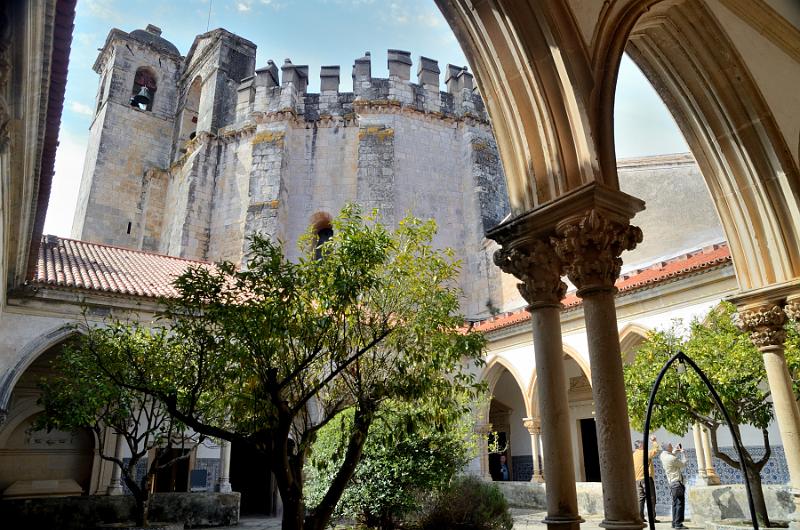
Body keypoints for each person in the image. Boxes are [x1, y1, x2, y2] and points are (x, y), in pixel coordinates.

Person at [659, 442, 688, 529]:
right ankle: (678, 524)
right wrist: (683, 453)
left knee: (675, 503)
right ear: (668, 448)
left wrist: (675, 451)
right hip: (677, 483)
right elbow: (683, 464)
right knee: (679, 504)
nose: (672, 447)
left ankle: (674, 522)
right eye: (671, 446)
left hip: (672, 483)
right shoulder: (671, 458)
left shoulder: (662, 455)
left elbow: (670, 456)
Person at [633, 435, 661, 522]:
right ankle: (652, 518)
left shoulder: (633, 455)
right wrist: (654, 441)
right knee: (651, 498)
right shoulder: (644, 453)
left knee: (640, 499)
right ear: (640, 446)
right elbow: (656, 450)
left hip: (637, 480)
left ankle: (640, 517)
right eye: (643, 444)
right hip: (646, 479)